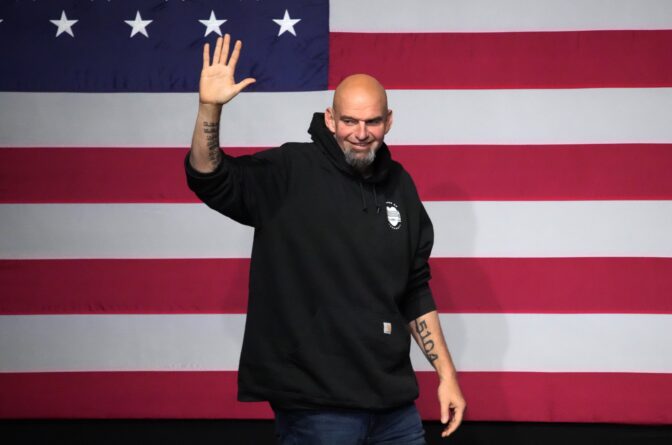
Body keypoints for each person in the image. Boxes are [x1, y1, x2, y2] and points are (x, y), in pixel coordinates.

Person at [185, 34, 466, 444]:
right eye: (350, 121)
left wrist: (447, 375)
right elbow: (209, 177)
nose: (361, 133)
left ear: (389, 121)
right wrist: (209, 108)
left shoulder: (400, 186)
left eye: (372, 122)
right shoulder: (289, 170)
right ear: (330, 119)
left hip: (392, 404)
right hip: (316, 407)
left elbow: (414, 290)